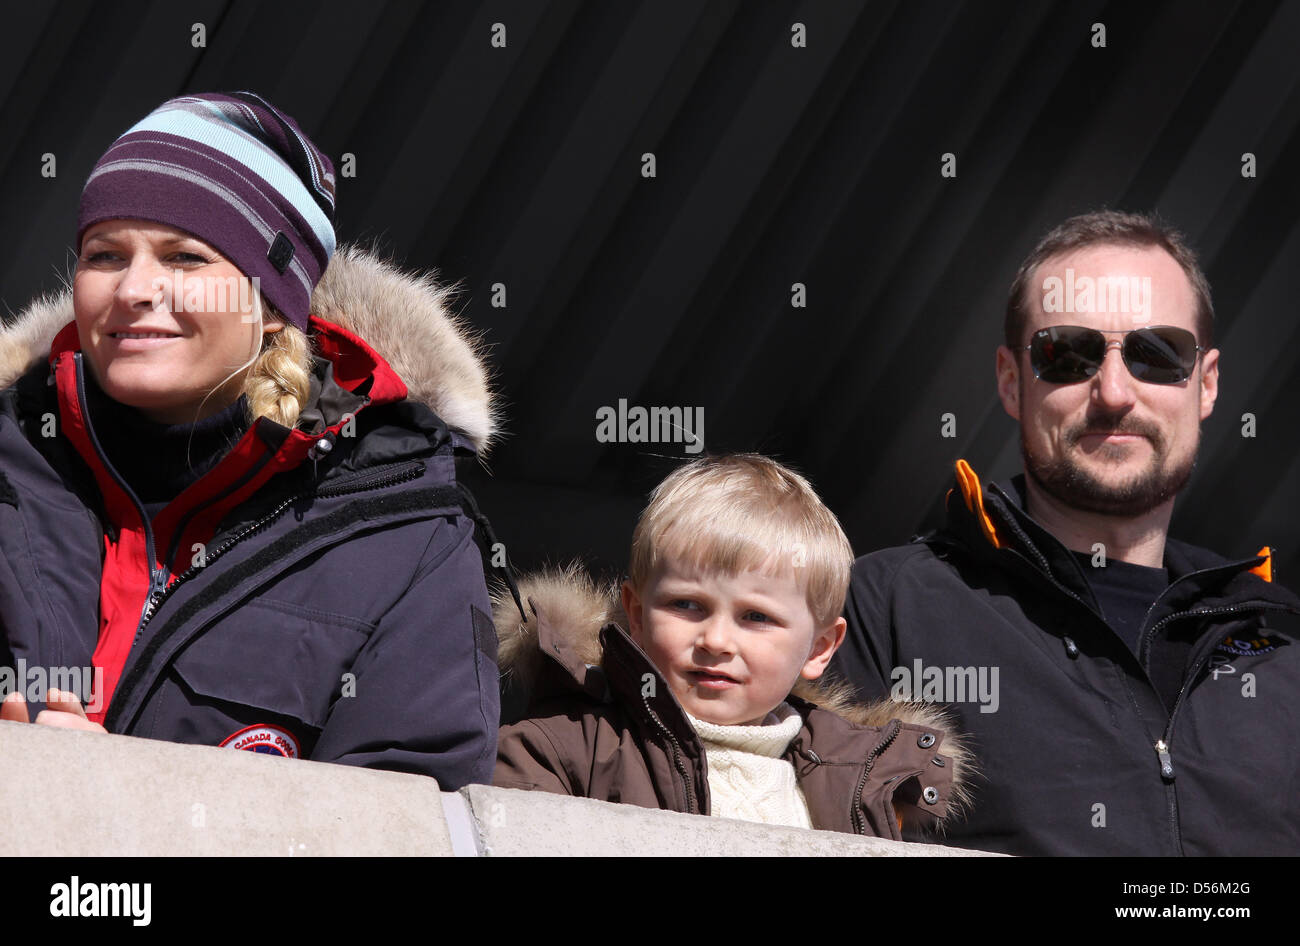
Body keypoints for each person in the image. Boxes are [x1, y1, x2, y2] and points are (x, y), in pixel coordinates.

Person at [0, 92, 500, 788]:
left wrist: (111, 805)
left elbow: (401, 818)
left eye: (185, 257)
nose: (135, 288)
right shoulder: (12, 462)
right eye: (104, 254)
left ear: (269, 305)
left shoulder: (408, 538)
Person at [830, 209, 1300, 855]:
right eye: (1067, 354)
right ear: (1009, 380)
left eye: (1157, 354)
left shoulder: (1280, 660)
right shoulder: (880, 611)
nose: (1113, 392)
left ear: (1207, 384)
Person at [493, 454, 969, 839]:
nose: (716, 641)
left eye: (756, 617)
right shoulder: (556, 752)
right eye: (687, 605)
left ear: (820, 648)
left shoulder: (869, 784)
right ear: (635, 615)